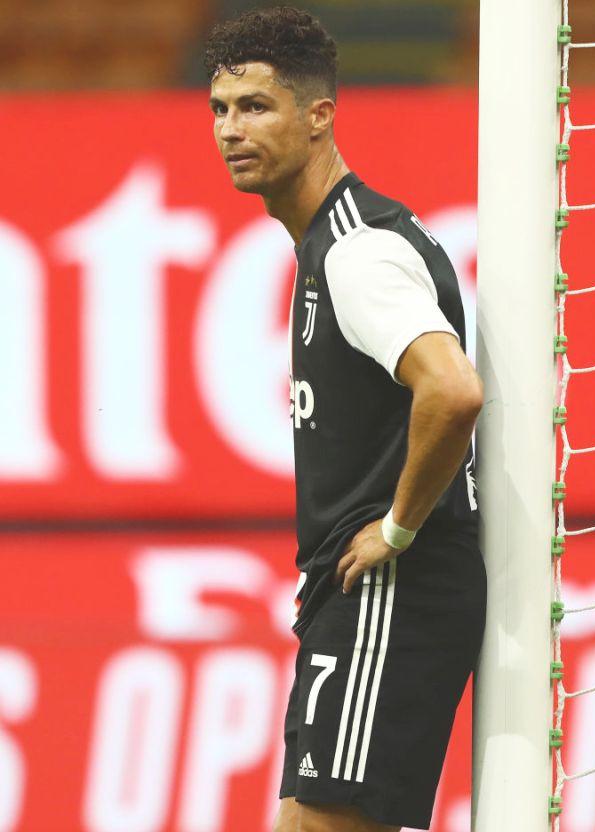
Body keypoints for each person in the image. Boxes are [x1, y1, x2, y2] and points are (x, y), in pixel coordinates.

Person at [204, 7, 487, 831]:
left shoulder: (357, 252)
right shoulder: (323, 244)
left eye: (256, 106)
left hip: (392, 589)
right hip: (354, 595)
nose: (231, 130)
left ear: (319, 114)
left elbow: (453, 390)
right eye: (221, 110)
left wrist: (396, 529)